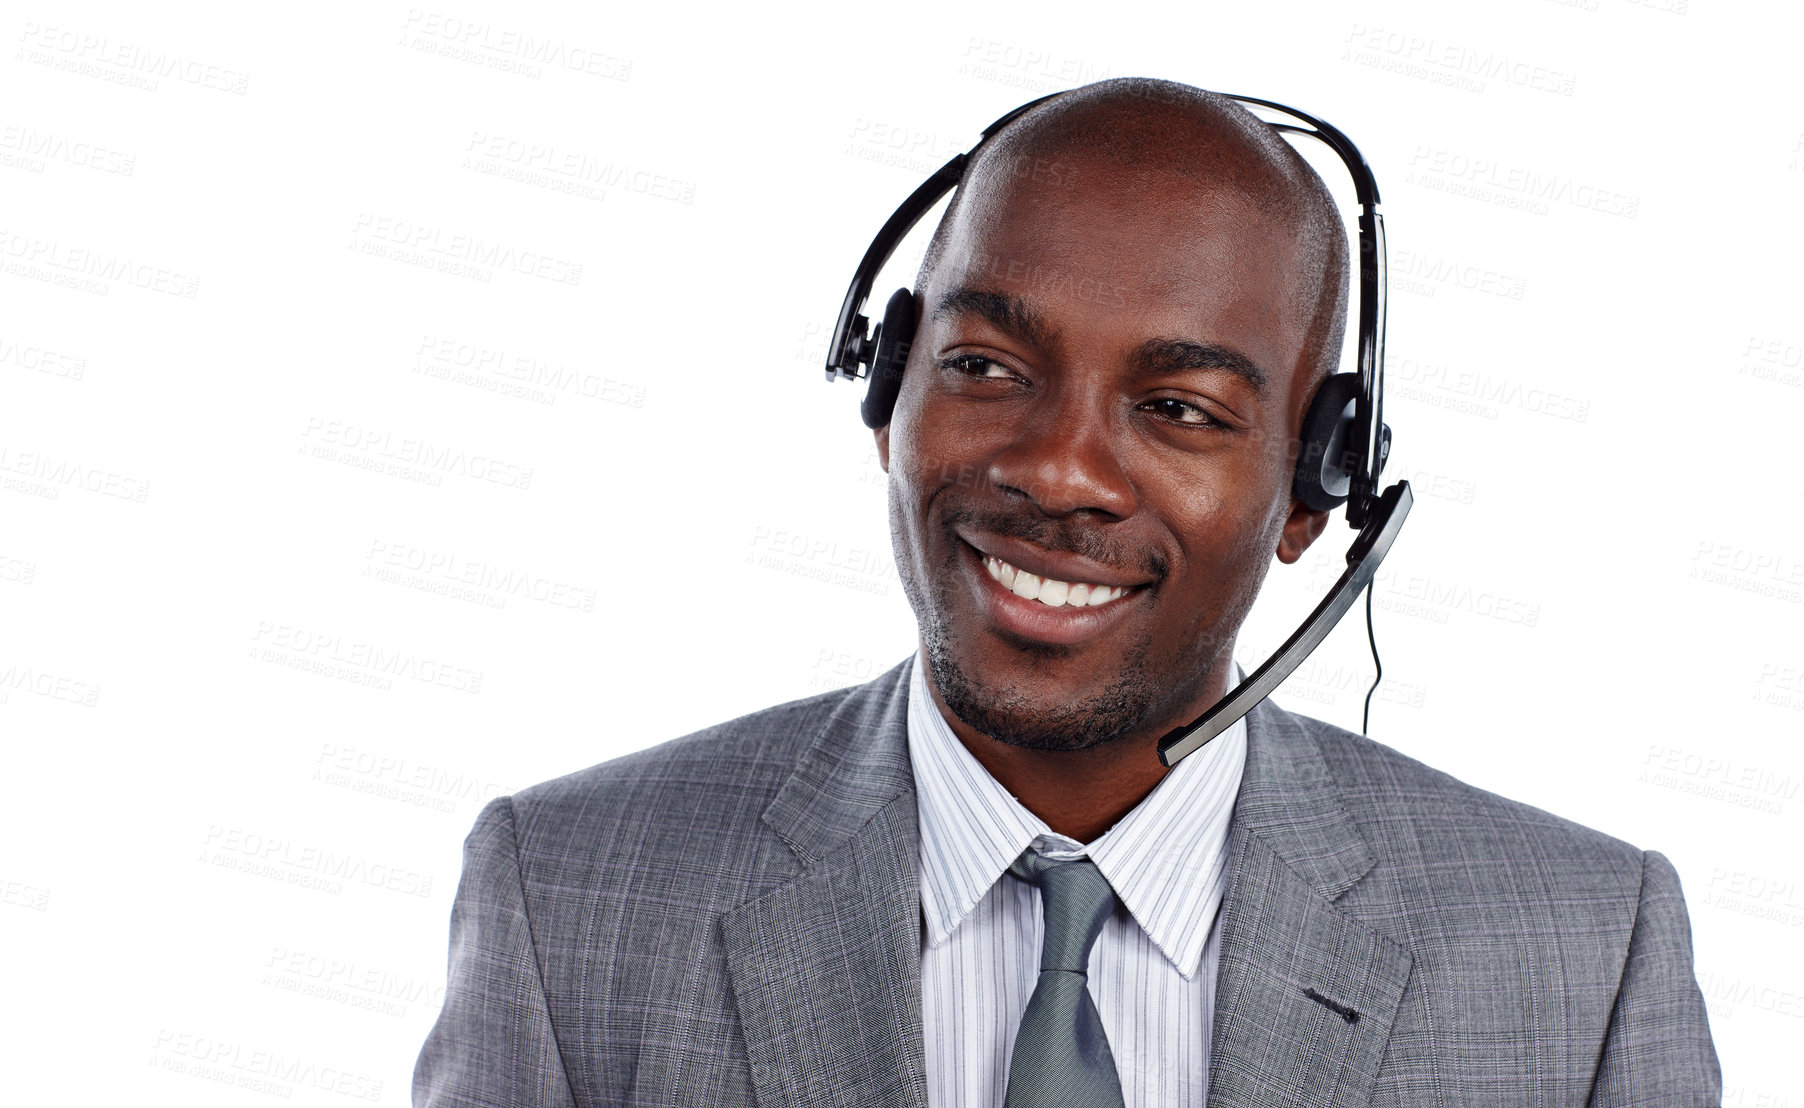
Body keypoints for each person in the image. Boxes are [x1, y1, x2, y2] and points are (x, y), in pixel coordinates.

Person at [414, 77, 1719, 1107]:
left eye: (1176, 407)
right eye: (985, 367)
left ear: (1317, 487)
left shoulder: (1581, 958)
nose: (1060, 469)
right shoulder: (569, 901)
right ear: (889, 392)